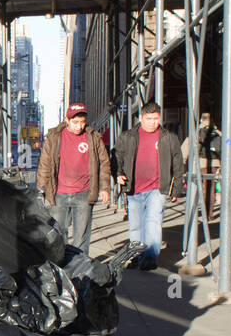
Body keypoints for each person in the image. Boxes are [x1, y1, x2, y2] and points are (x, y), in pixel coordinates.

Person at [114, 102, 185, 270]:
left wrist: (176, 189)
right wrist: (118, 174)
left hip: (157, 188)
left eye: (156, 119)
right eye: (149, 119)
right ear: (141, 118)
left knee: (153, 220)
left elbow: (178, 162)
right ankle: (136, 256)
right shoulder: (128, 136)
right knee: (136, 224)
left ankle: (150, 257)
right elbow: (117, 157)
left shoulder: (168, 137)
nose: (153, 122)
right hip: (134, 187)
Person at [36, 103, 110, 251]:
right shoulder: (54, 137)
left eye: (82, 122)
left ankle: (81, 269)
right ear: (67, 120)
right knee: (58, 234)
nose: (79, 126)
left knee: (81, 236)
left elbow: (104, 163)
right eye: (75, 122)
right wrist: (41, 189)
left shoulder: (93, 137)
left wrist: (105, 187)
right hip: (58, 194)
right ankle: (63, 268)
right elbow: (45, 164)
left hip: (84, 193)